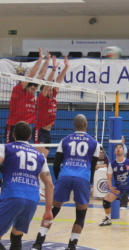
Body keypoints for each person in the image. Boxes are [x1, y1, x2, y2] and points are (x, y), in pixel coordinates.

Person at [31, 114, 100, 250]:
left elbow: (56, 164)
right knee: (80, 215)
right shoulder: (94, 143)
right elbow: (92, 167)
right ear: (86, 125)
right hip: (82, 178)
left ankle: (38, 243)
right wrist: (89, 182)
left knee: (53, 210)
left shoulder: (64, 140)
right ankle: (72, 245)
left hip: (65, 176)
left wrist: (59, 179)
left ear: (74, 125)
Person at [0, 121, 54, 250]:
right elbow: (49, 184)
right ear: (30, 137)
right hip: (31, 199)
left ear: (13, 135)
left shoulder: (5, 147)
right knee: (17, 235)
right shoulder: (40, 156)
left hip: (12, 194)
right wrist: (48, 210)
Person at [5, 48, 51, 143]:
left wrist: (47, 60)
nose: (34, 91)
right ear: (26, 87)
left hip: (27, 128)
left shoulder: (32, 95)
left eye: (35, 89)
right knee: (9, 150)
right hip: (14, 126)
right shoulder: (18, 90)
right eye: (32, 89)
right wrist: (40, 60)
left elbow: (41, 75)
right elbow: (31, 74)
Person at [35, 55, 69, 158]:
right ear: (44, 91)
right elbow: (48, 84)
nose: (51, 91)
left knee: (44, 159)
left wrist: (66, 67)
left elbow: (58, 82)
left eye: (51, 90)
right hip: (40, 130)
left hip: (48, 132)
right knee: (39, 158)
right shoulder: (42, 99)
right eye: (49, 89)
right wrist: (54, 69)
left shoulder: (52, 96)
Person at [120, 135, 129, 210]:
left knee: (124, 187)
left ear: (124, 140)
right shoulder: (114, 149)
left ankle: (123, 205)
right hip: (116, 171)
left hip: (125, 171)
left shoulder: (127, 149)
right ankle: (115, 204)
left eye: (121, 138)